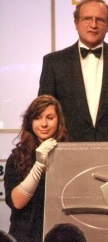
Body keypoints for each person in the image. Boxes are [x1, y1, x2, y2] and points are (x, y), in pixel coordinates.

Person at [38, 0, 108, 142]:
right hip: (67, 152)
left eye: (100, 20)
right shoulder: (54, 62)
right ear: (76, 23)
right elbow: (44, 113)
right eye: (87, 18)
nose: (93, 25)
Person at [4, 95, 69, 242]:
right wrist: (39, 165)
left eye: (50, 117)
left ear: (59, 120)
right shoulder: (16, 158)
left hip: (61, 235)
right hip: (25, 235)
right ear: (30, 121)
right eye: (38, 118)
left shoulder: (70, 155)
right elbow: (17, 202)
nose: (44, 124)